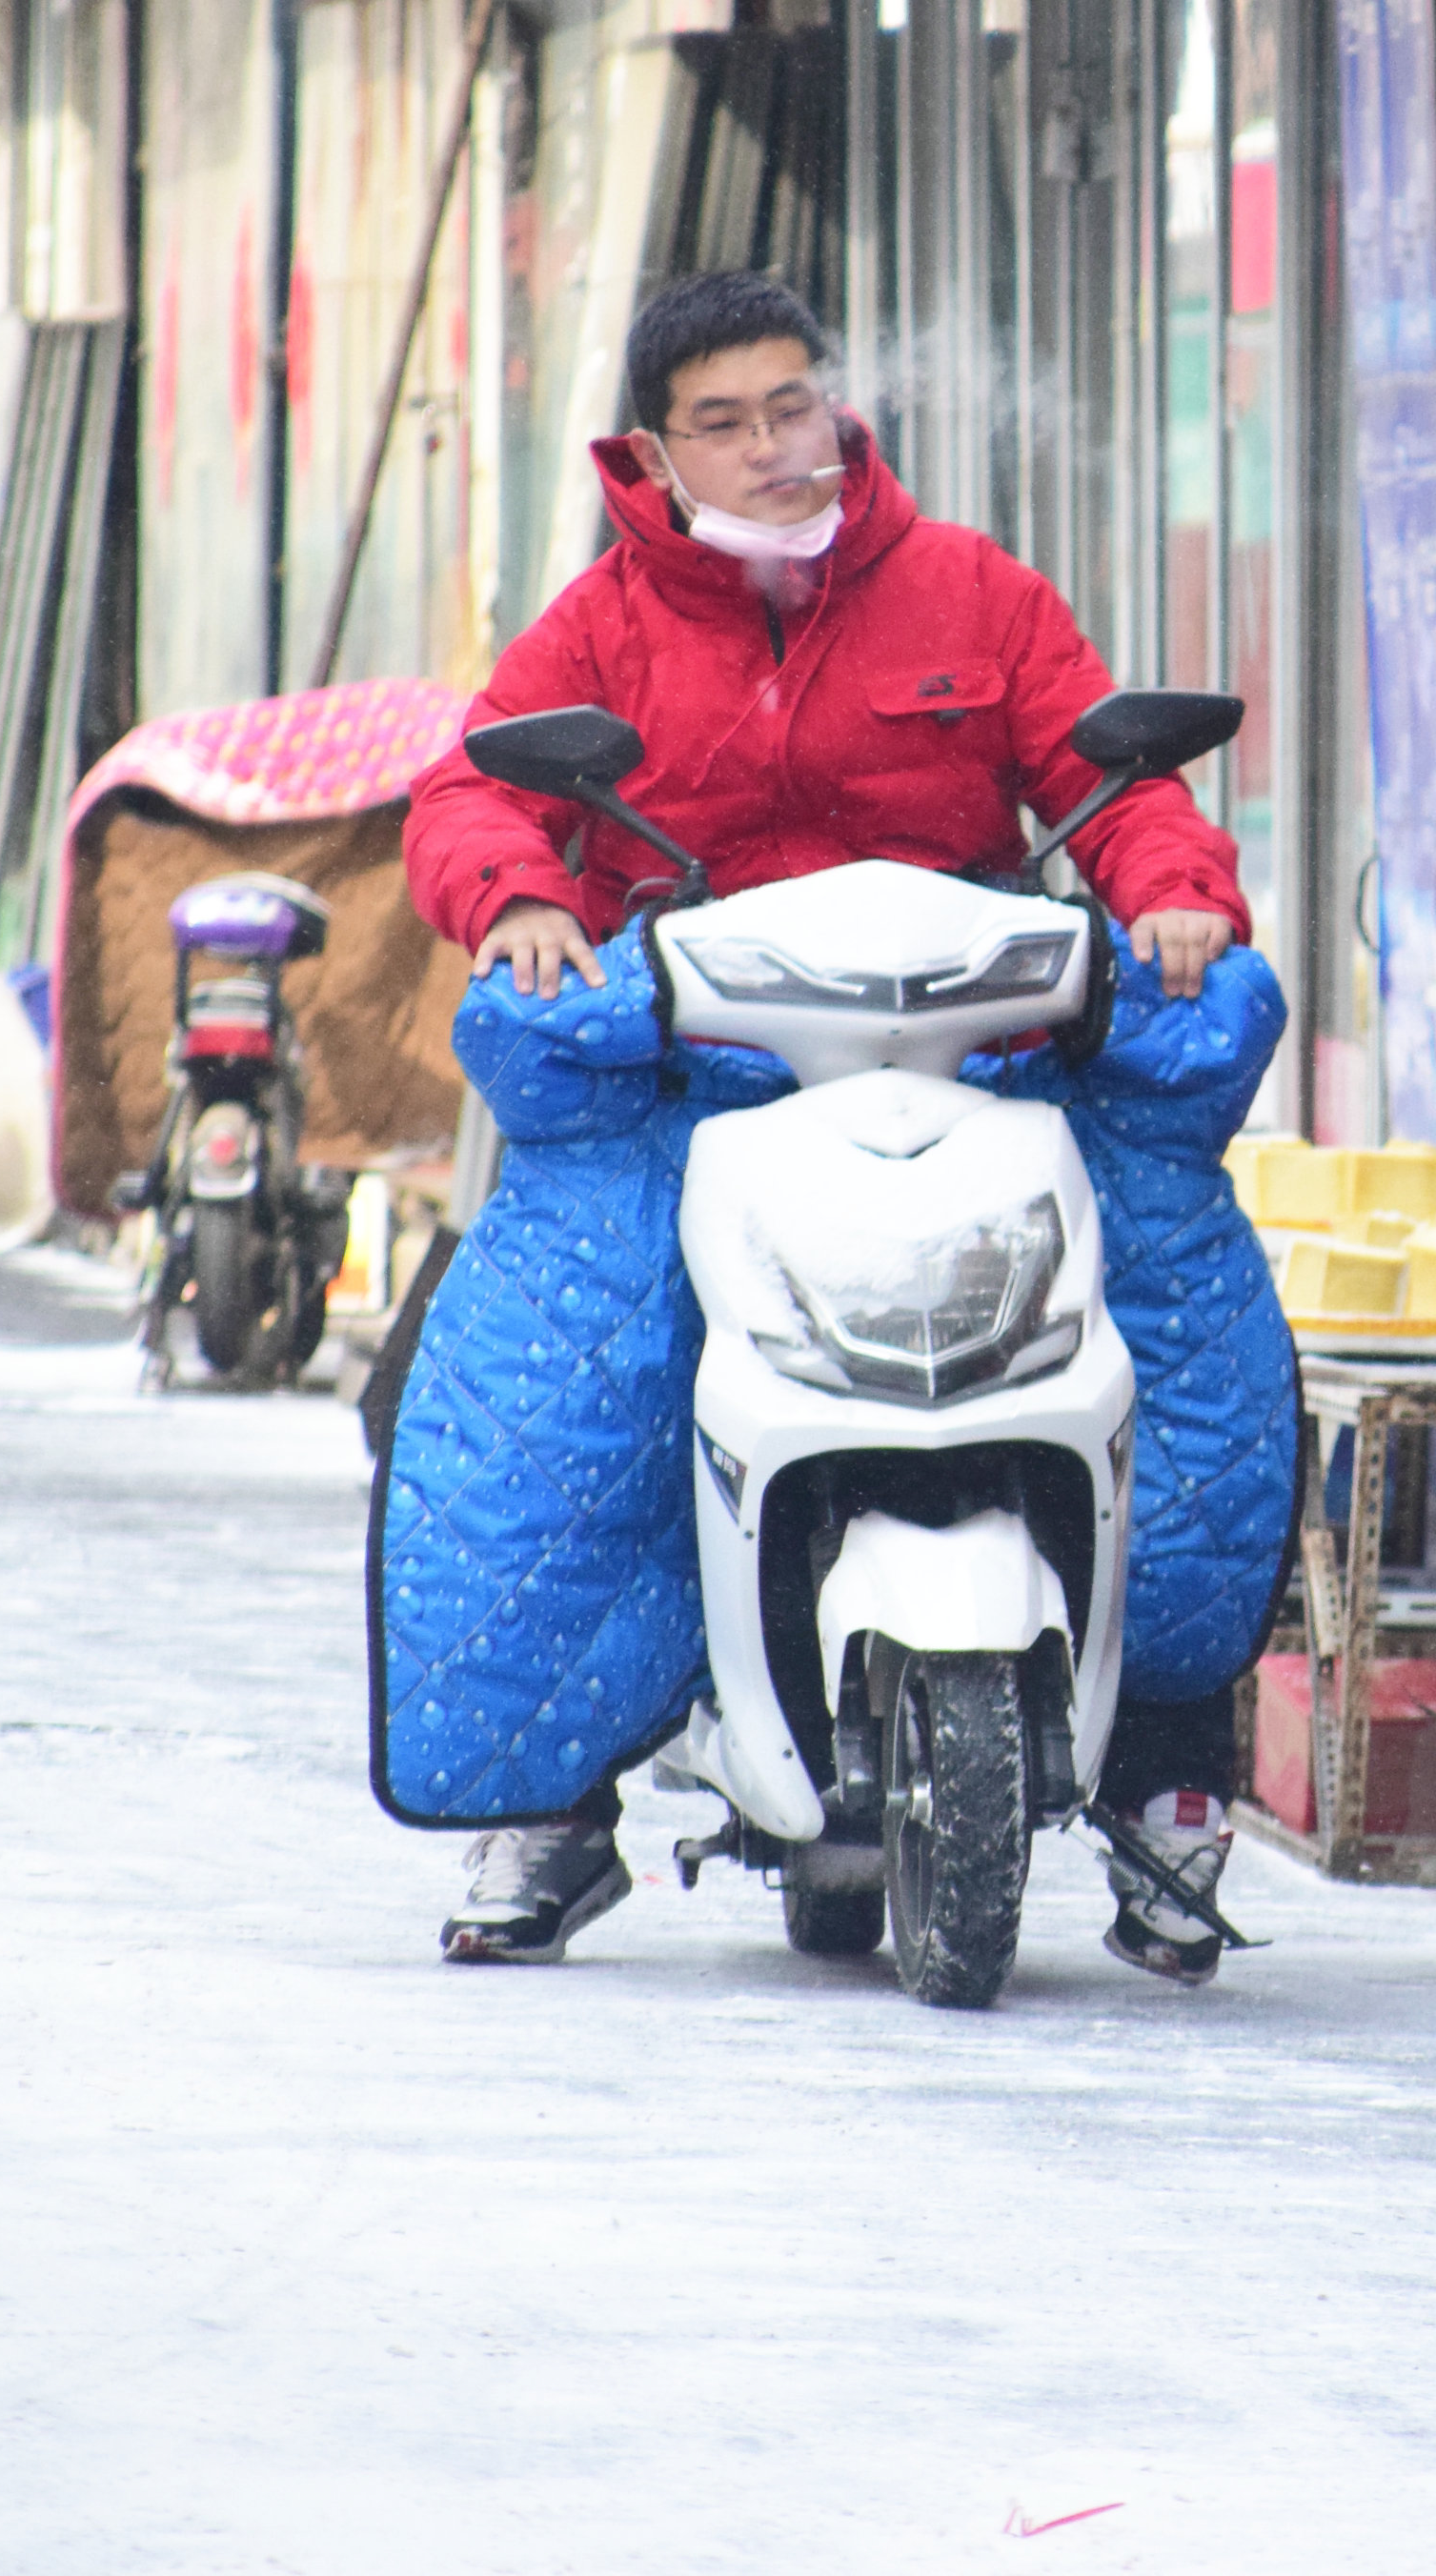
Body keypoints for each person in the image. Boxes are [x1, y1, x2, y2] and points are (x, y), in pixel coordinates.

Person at [399, 270, 1261, 1980]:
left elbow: (1123, 784)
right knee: (563, 1374)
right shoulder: (602, 625)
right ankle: (559, 1802)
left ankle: (1173, 1774)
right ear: (657, 452)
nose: (769, 445)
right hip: (701, 1071)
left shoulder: (970, 590)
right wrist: (516, 901)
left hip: (975, 1060)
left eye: (790, 405)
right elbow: (472, 786)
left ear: (837, 406)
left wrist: (1170, 894)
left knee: (1179, 1336)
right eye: (722, 421)